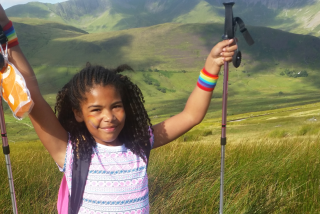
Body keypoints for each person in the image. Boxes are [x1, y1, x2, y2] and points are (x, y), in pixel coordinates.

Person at [0, 4, 237, 214]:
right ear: (78, 114)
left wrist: (211, 65)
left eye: (116, 106)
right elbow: (32, 94)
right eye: (95, 110)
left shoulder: (141, 142)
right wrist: (8, 32)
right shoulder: (71, 152)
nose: (109, 117)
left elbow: (191, 116)